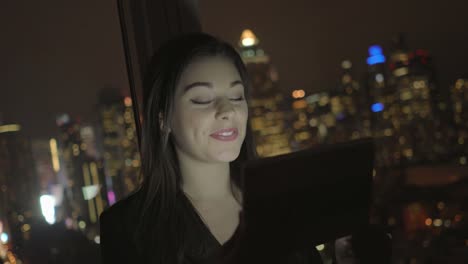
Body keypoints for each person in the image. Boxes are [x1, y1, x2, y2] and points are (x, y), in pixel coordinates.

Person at [99, 33, 323, 264]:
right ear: (163, 119)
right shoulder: (129, 228)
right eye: (202, 99)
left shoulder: (280, 200)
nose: (228, 110)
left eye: (237, 96)